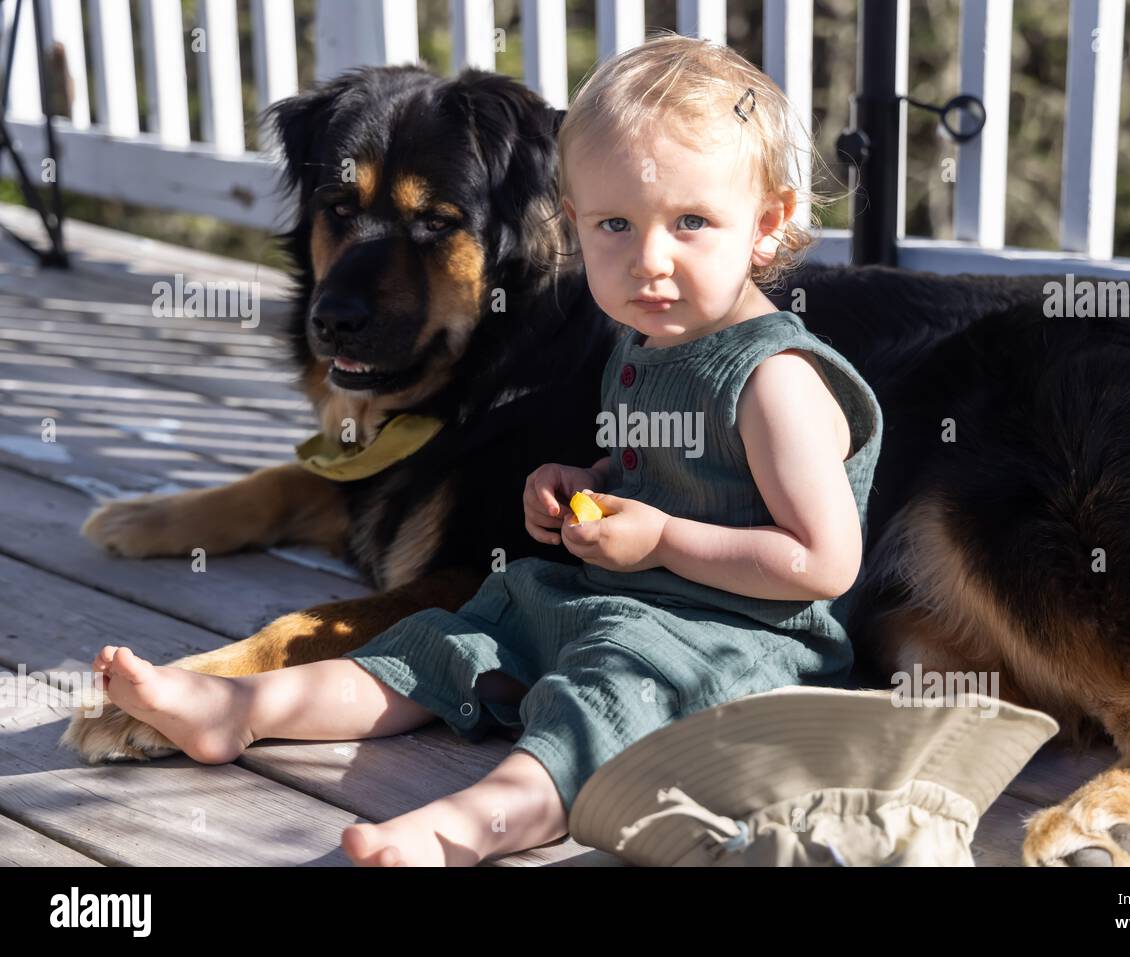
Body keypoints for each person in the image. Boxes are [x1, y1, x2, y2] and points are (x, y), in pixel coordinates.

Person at [89, 31, 884, 867]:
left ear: (768, 225)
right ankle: (239, 707)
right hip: (620, 599)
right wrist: (585, 482)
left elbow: (822, 564)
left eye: (691, 222)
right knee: (449, 636)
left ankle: (467, 826)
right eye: (615, 224)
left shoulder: (775, 380)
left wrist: (659, 538)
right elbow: (677, 473)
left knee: (602, 696)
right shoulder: (646, 344)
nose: (650, 259)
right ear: (572, 223)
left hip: (731, 640)